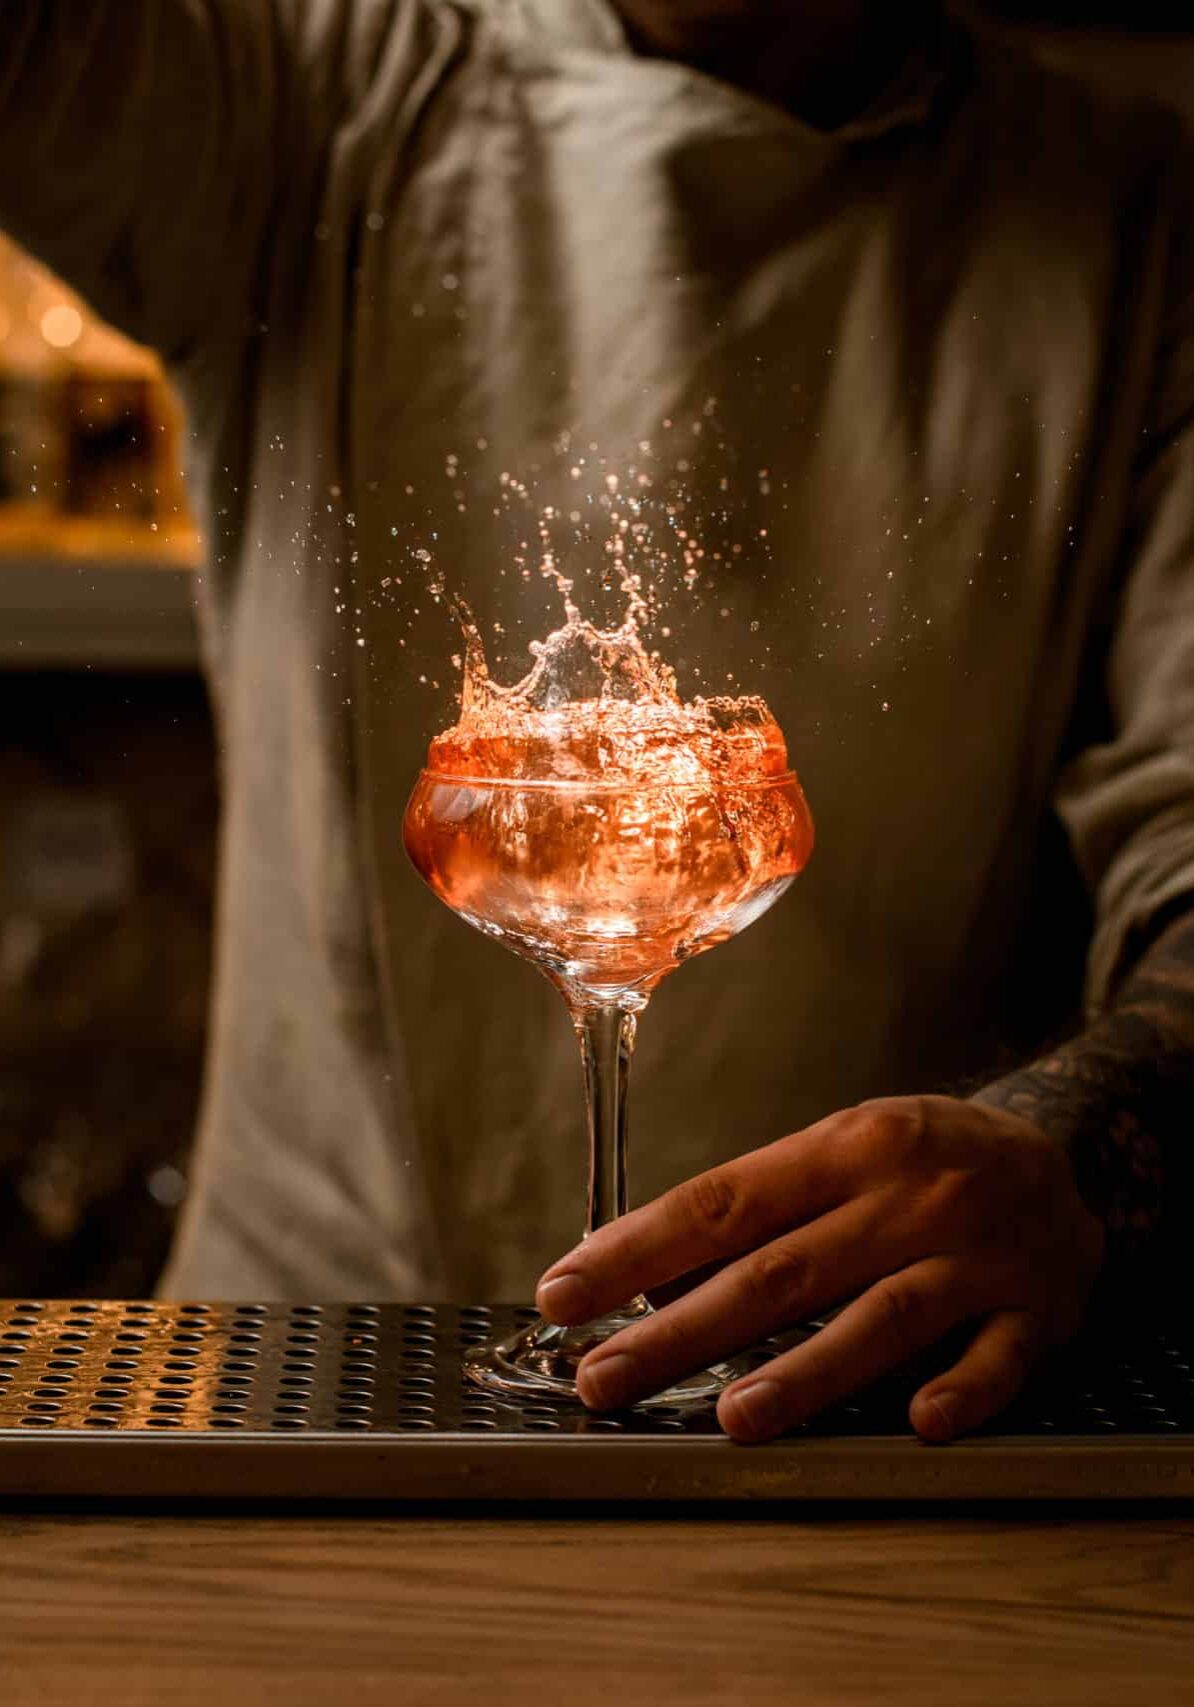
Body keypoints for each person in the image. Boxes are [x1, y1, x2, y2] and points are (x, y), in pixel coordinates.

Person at [1, 1, 1191, 1445]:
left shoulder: (1140, 214)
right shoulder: (290, 84)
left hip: (854, 1402)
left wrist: (1060, 1147)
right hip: (304, 1374)